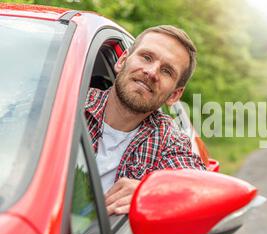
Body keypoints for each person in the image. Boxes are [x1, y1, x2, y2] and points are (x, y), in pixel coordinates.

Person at [84, 25, 206, 216]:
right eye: (146, 57)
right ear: (123, 60)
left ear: (174, 95)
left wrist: (152, 193)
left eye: (167, 71)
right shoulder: (67, 102)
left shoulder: (168, 140)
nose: (152, 72)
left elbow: (201, 188)